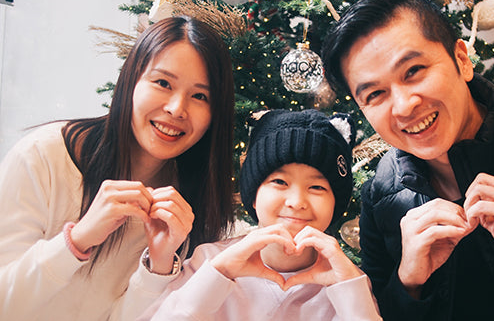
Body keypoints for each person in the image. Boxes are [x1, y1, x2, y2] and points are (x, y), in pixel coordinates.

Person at [321, 0, 494, 320]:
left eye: (414, 71)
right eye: (375, 94)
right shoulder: (381, 193)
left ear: (462, 61)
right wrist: (408, 283)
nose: (404, 106)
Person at [0, 16, 236, 320]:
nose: (177, 108)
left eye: (200, 96)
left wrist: (158, 265)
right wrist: (77, 241)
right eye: (163, 83)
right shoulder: (44, 156)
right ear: (131, 80)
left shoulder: (189, 207)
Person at [132, 109, 382, 320]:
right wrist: (218, 274)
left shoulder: (347, 279)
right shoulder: (210, 259)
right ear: (253, 195)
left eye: (317, 187)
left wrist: (351, 290)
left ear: (336, 204)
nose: (296, 202)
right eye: (280, 182)